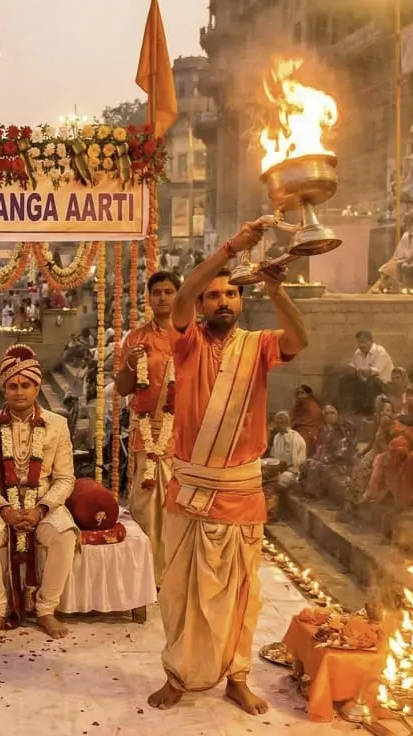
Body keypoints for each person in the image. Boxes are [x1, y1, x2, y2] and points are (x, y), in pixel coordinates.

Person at [149, 219, 308, 715]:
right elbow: (184, 295)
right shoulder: (186, 341)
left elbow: (299, 340)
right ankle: (179, 673)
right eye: (213, 296)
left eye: (231, 296)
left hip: (240, 489)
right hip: (191, 485)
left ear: (241, 303)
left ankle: (237, 675)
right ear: (199, 306)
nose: (222, 302)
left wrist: (278, 293)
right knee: (179, 591)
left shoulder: (258, 346)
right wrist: (231, 249)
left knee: (242, 591)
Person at [0, 345, 77, 640]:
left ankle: (45, 610)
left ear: (37, 386)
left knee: (65, 534)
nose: (19, 392)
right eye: (12, 386)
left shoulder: (58, 425)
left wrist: (41, 508)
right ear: (4, 389)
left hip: (42, 501)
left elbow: (66, 478)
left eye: (26, 385)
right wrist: (4, 510)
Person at [113, 270, 179, 580]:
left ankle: (178, 573)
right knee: (146, 502)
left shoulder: (191, 335)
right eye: (157, 292)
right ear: (149, 298)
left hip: (184, 431)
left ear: (179, 295)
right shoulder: (136, 338)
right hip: (146, 431)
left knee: (178, 506)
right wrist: (129, 364)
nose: (163, 297)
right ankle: (147, 576)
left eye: (168, 291)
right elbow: (123, 388)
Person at [301, 404, 358, 501]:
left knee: (316, 466)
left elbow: (346, 449)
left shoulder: (346, 428)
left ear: (338, 413)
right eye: (326, 414)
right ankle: (310, 492)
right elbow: (320, 446)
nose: (329, 416)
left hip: (343, 462)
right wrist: (318, 457)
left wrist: (327, 459)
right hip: (327, 459)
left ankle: (313, 495)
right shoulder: (324, 429)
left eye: (332, 413)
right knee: (307, 464)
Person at [338, 330, 394, 416]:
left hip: (383, 384)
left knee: (371, 381)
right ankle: (347, 409)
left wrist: (356, 369)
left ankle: (368, 412)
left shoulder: (380, 352)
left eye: (363, 342)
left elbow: (374, 372)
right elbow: (354, 368)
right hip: (364, 382)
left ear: (371, 341)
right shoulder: (358, 353)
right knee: (344, 380)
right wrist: (347, 368)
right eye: (359, 342)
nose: (361, 345)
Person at [372, 216, 413, 291]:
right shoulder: (406, 234)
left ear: (412, 223)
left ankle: (386, 287)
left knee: (395, 266)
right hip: (402, 257)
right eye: (404, 222)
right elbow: (399, 250)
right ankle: (383, 287)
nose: (404, 224)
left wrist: (406, 258)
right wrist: (396, 258)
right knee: (386, 266)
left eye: (406, 222)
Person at [263, 411, 307, 514]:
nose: (275, 426)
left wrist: (283, 469)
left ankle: (272, 513)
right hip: (279, 469)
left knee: (272, 484)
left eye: (278, 423)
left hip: (292, 472)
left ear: (284, 423)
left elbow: (298, 462)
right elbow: (274, 458)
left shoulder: (295, 437)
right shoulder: (277, 437)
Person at [290, 384, 323, 455]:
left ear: (308, 394)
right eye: (298, 393)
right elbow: (293, 418)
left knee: (300, 438)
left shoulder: (312, 405)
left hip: (311, 429)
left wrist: (297, 424)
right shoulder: (298, 405)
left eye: (302, 393)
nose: (299, 395)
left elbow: (314, 419)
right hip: (298, 427)